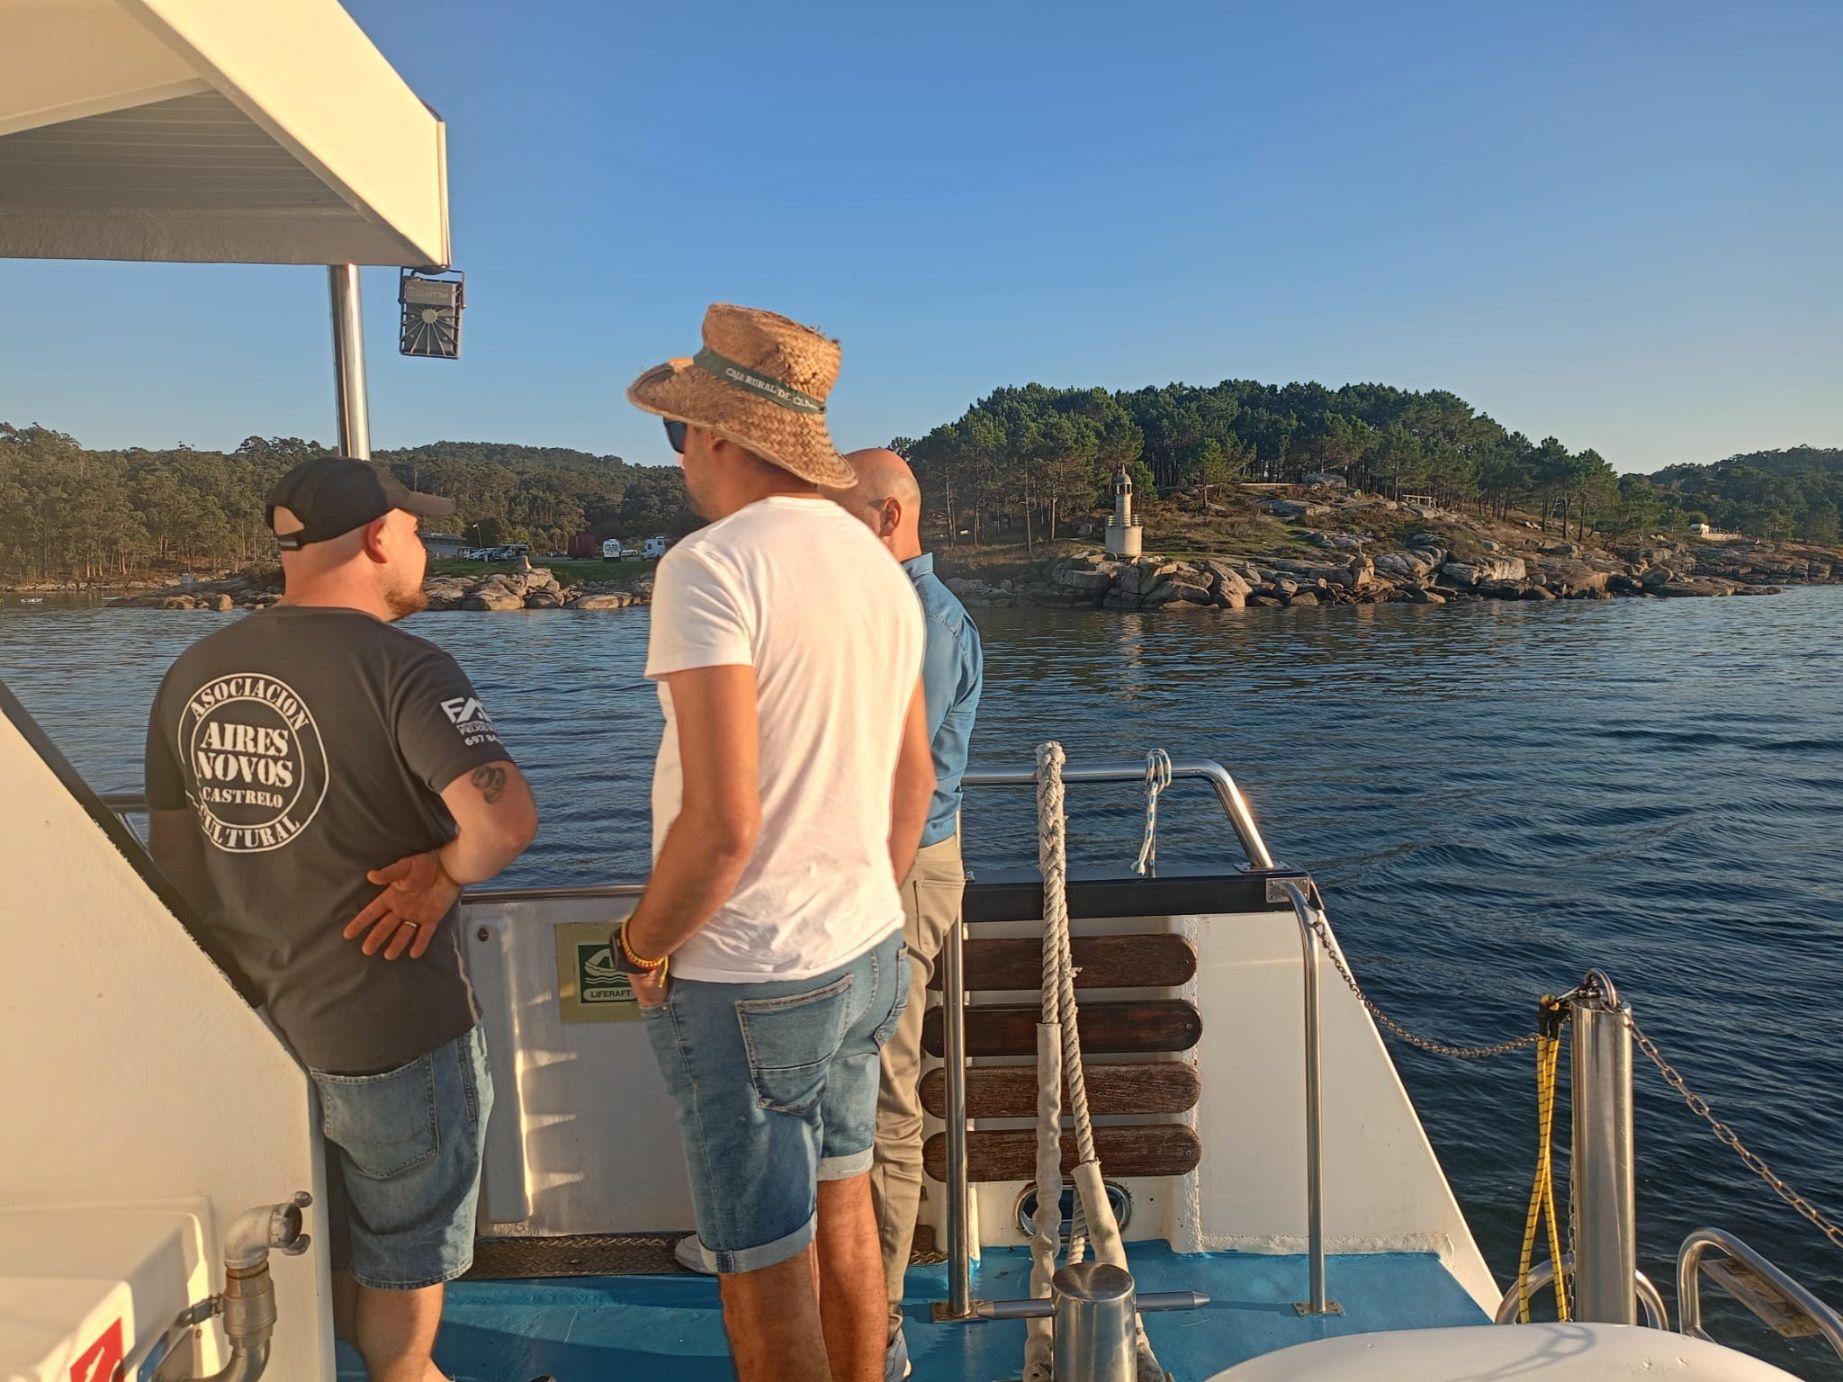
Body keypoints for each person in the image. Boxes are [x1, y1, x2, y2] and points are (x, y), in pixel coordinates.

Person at [144, 458, 539, 1382]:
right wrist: (442, 876)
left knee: (294, 1254)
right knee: (401, 1286)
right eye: (413, 530)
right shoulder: (405, 664)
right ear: (375, 537)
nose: (422, 548)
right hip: (390, 1026)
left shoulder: (192, 671)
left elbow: (175, 862)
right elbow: (504, 822)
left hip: (251, 1035)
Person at [617, 304, 935, 1382]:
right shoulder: (878, 568)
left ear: (711, 435)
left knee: (760, 1271)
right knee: (845, 1209)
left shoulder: (709, 569)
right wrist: (861, 900)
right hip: (867, 950)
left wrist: (641, 944)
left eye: (679, 438)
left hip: (748, 971)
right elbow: (915, 777)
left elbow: (720, 825)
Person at [827, 449, 983, 1374]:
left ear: (887, 518)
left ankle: (875, 1328)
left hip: (897, 875)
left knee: (884, 1095)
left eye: (839, 513)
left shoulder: (921, 621)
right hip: (862, 871)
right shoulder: (878, 611)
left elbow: (903, 783)